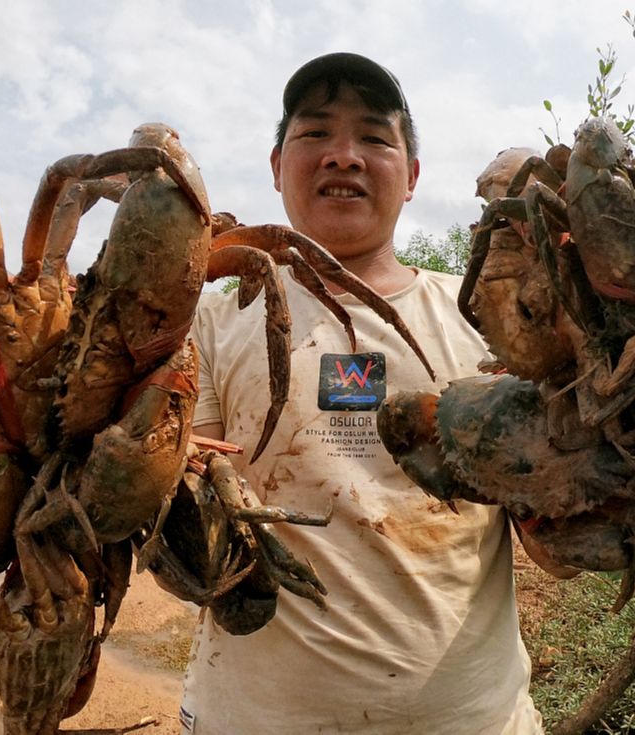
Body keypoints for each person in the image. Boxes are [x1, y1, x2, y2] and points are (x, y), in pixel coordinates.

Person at [179, 52, 544, 734]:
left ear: (410, 177)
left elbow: (553, 540)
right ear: (276, 164)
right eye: (315, 133)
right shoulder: (211, 320)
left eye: (375, 137)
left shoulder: (488, 320)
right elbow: (181, 527)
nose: (343, 155)